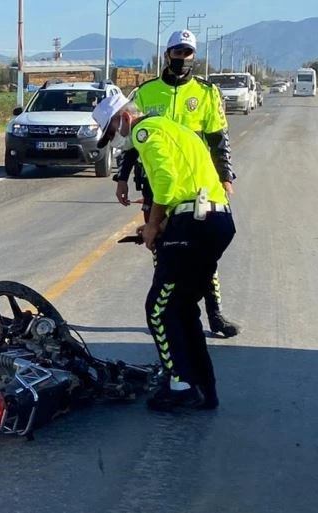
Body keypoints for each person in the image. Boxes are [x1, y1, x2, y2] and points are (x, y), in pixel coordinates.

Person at [93, 92, 236, 411]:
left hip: (194, 225)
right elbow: (186, 183)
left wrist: (154, 224)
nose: (117, 141)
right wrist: (161, 225)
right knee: (183, 309)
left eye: (114, 132)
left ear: (124, 118)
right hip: (217, 221)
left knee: (158, 308)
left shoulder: (146, 132)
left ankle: (179, 384)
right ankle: (203, 386)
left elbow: (167, 184)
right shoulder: (176, 129)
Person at [114, 29, 241, 339]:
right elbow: (132, 141)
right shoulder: (146, 92)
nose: (181, 58)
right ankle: (167, 308)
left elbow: (218, 139)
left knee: (202, 253)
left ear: (193, 56)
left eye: (187, 53)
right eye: (176, 52)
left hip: (197, 186)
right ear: (167, 54)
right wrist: (122, 178)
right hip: (155, 186)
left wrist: (225, 176)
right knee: (162, 247)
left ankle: (214, 314)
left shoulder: (207, 93)